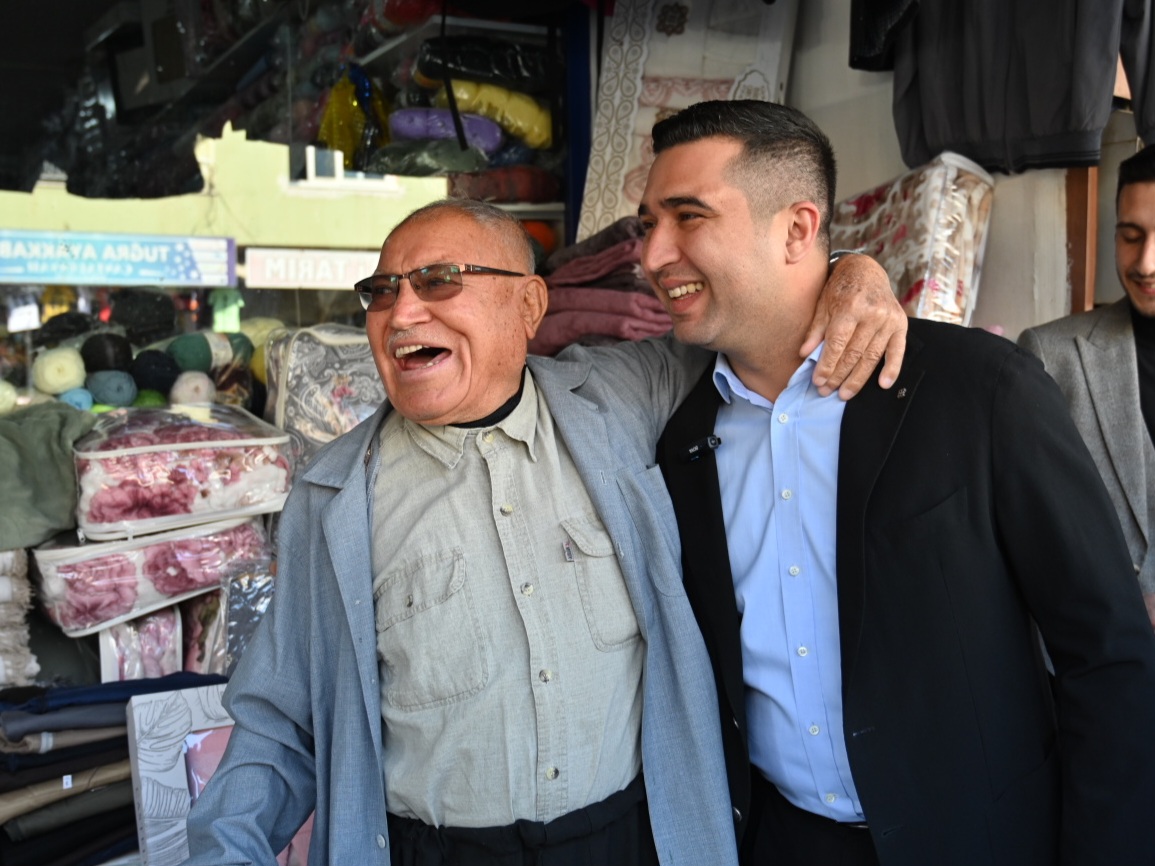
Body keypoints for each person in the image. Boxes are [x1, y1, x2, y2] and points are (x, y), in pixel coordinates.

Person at [183, 196, 904, 866]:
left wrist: (849, 272)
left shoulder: (619, 401)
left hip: (630, 839)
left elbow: (750, 320)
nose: (399, 314)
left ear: (528, 304)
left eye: (437, 282)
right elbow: (282, 723)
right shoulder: (334, 498)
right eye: (381, 291)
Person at [646, 100, 1155, 866]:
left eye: (687, 217)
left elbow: (1106, 655)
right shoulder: (681, 434)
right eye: (648, 223)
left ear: (795, 229)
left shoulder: (977, 389)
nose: (652, 254)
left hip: (984, 840)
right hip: (782, 843)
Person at [1018, 144, 1155, 628]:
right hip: (1097, 672)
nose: (1145, 263)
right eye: (1131, 236)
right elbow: (1027, 534)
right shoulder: (1051, 355)